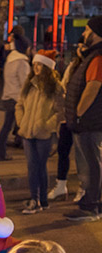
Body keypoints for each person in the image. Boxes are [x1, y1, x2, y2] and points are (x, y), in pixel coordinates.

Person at [63, 16, 102, 221]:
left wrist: (78, 113)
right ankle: (92, 202)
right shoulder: (93, 56)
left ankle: (90, 206)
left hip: (89, 121)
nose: (84, 34)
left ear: (95, 34)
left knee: (91, 164)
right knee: (93, 162)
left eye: (87, 30)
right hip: (89, 120)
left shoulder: (96, 58)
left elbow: (92, 87)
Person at [17, 51, 65, 214]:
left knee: (40, 166)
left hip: (43, 134)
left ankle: (40, 200)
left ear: (47, 67)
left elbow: (60, 111)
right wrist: (21, 122)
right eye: (35, 64)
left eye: (40, 65)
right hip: (27, 133)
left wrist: (47, 125)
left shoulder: (55, 87)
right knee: (32, 166)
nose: (36, 67)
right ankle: (35, 199)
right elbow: (20, 105)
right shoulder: (29, 84)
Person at [48, 35, 87, 202]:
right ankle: (61, 184)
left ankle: (84, 187)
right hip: (68, 115)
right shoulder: (73, 66)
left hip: (84, 118)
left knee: (83, 154)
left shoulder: (93, 64)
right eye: (79, 47)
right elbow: (64, 87)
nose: (80, 50)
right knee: (63, 150)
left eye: (83, 46)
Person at [0, 32, 31, 161]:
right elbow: (25, 82)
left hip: (8, 95)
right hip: (17, 98)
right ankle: (1, 153)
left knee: (7, 126)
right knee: (22, 125)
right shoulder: (21, 62)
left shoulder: (10, 60)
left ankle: (1, 152)